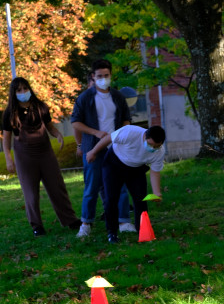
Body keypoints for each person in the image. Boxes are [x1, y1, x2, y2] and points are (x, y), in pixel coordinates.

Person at [2, 77, 81, 236]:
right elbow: (6, 138)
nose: (23, 92)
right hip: (24, 156)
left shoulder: (41, 107)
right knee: (31, 192)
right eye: (19, 90)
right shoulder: (9, 113)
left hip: (45, 153)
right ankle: (37, 225)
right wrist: (9, 159)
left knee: (57, 186)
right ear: (14, 93)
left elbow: (49, 126)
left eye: (25, 88)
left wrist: (57, 134)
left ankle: (70, 219)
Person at [71, 59, 133, 237]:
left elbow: (126, 119)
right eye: (99, 76)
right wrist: (95, 133)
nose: (103, 79)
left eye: (106, 76)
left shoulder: (118, 96)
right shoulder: (85, 98)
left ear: (110, 75)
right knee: (92, 186)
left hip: (116, 147)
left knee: (120, 186)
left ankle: (124, 221)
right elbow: (75, 122)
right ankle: (86, 223)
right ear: (93, 76)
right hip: (93, 148)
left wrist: (123, 136)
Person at [86, 125, 166, 244]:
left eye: (156, 146)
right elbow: (108, 138)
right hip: (114, 164)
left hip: (136, 169)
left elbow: (155, 172)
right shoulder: (129, 132)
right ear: (144, 136)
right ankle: (112, 233)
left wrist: (156, 192)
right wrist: (93, 152)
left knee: (141, 200)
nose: (153, 148)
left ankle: (143, 232)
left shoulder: (159, 152)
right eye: (150, 145)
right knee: (111, 199)